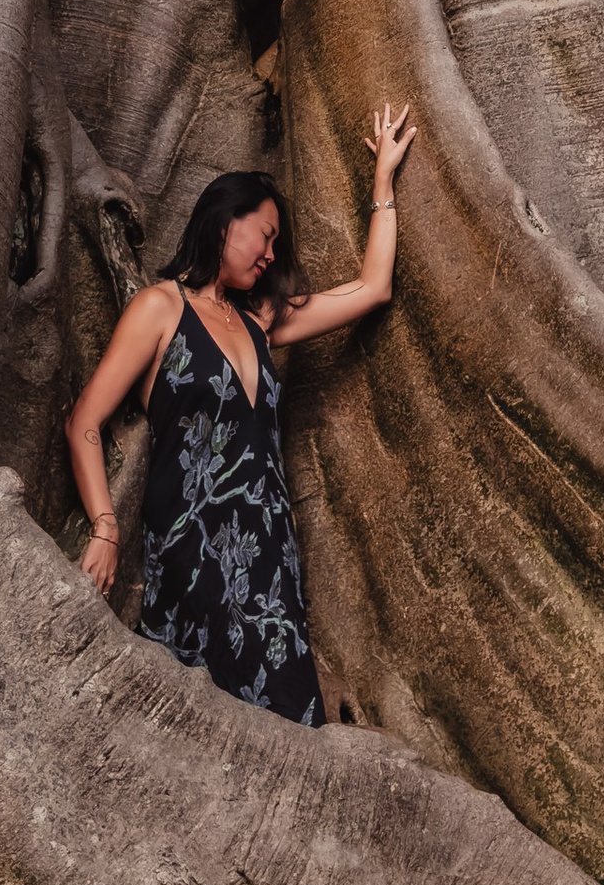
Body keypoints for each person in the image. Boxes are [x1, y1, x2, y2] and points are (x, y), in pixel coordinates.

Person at [64, 103, 413, 723]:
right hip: (191, 552)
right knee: (196, 723)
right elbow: (85, 420)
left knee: (290, 718)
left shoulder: (260, 322)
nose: (272, 255)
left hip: (269, 556)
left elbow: (372, 288)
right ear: (226, 222)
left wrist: (383, 182)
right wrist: (105, 529)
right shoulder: (159, 309)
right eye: (267, 235)